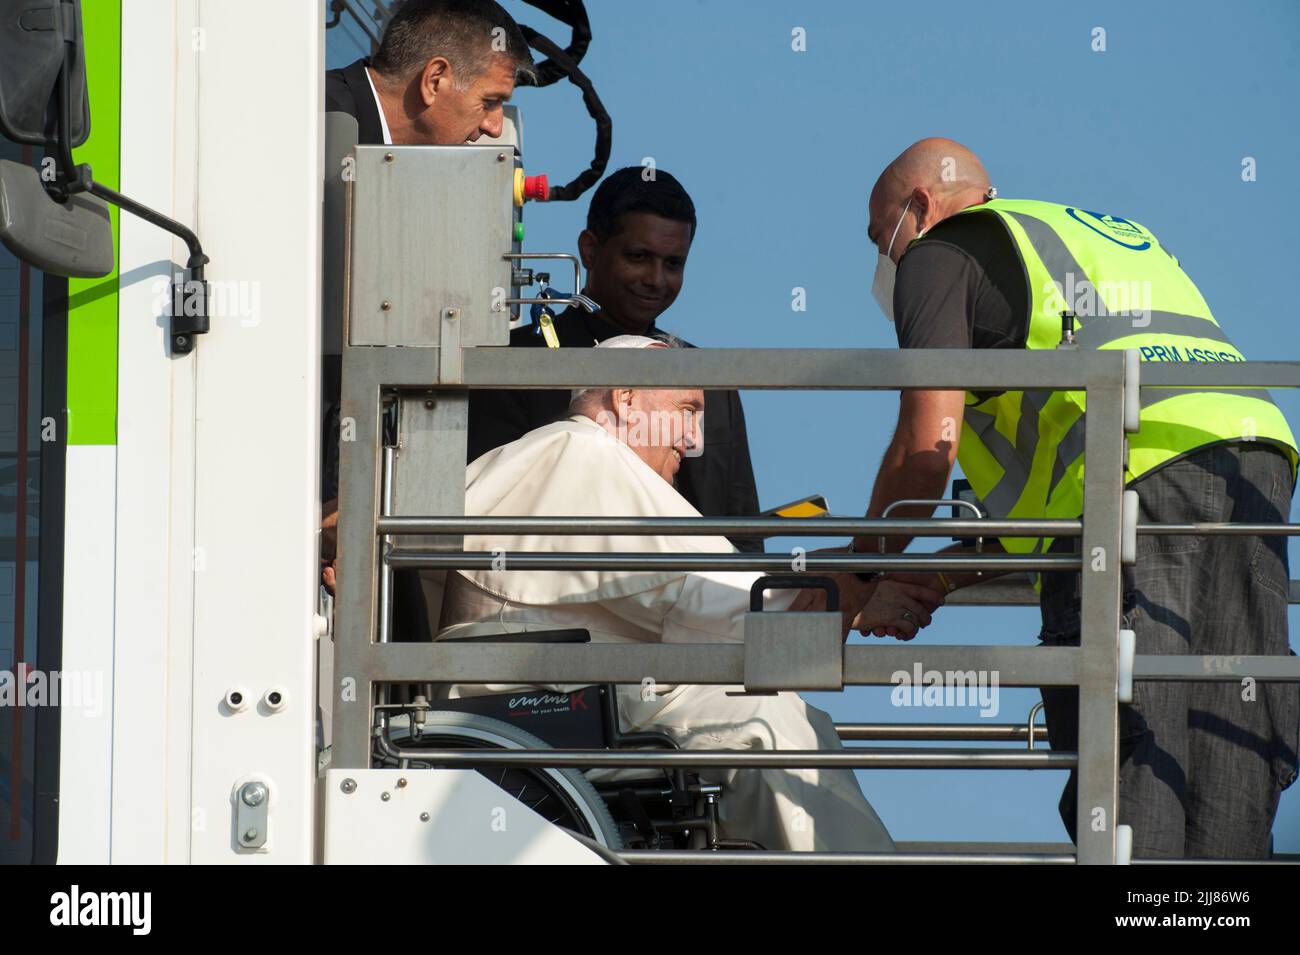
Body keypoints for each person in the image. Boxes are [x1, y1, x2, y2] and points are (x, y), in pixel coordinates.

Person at [829, 136, 1298, 859]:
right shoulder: (1088, 240)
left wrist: (849, 578)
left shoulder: (940, 250)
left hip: (1140, 477)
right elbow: (1041, 502)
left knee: (1128, 731)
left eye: (878, 238)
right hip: (1256, 460)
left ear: (918, 207)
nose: (884, 264)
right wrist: (943, 570)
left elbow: (928, 441)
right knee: (1232, 732)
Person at [435, 336, 945, 851]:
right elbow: (701, 597)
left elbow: (689, 596)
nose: (693, 438)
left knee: (774, 712)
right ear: (626, 399)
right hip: (542, 700)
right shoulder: (583, 451)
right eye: (686, 410)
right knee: (766, 724)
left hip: (569, 690)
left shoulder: (565, 457)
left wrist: (841, 589)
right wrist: (842, 596)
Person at [320, 0, 534, 600]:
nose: (496, 127)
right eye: (490, 102)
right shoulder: (313, 128)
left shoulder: (406, 165)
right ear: (435, 79)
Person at [468, 166, 765, 553]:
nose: (656, 279)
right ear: (590, 249)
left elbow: (743, 538)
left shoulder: (711, 382)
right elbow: (483, 521)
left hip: (690, 606)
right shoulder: (514, 365)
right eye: (639, 257)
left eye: (673, 263)